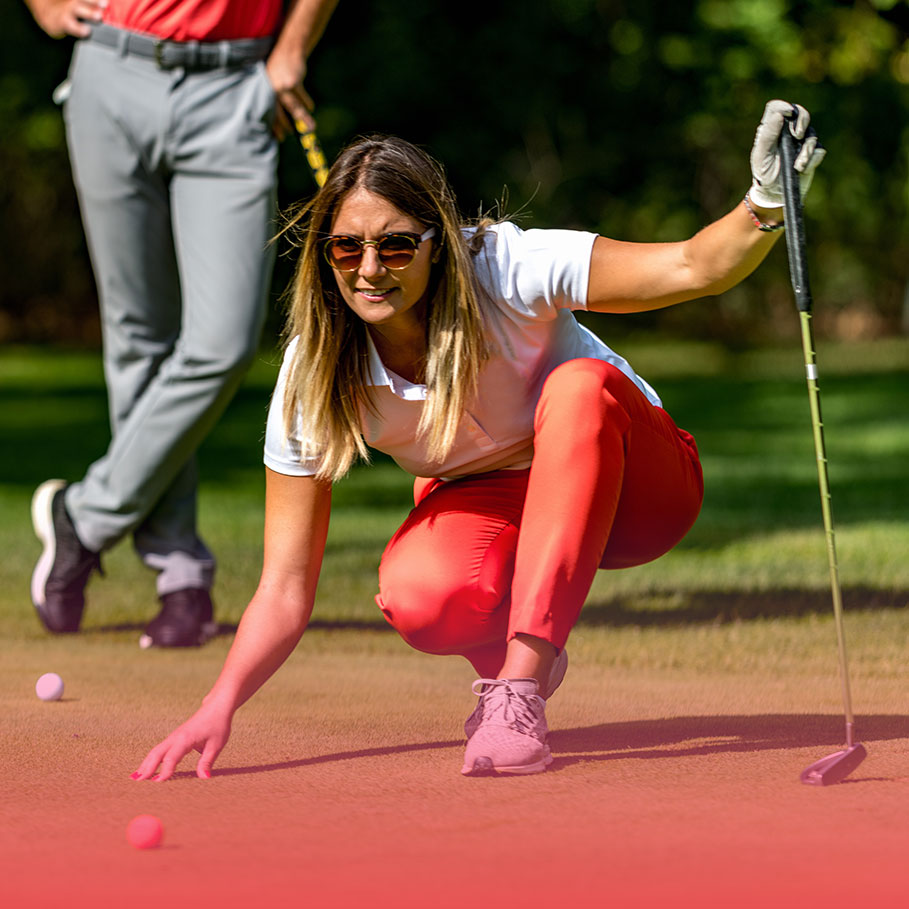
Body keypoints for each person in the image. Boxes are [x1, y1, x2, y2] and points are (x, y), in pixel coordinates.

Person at [133, 100, 825, 778]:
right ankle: (520, 667)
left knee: (577, 385)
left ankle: (519, 690)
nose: (370, 268)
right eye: (347, 246)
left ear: (439, 241)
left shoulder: (507, 267)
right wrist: (216, 703)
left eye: (396, 244)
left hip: (640, 490)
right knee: (420, 593)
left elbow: (691, 267)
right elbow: (284, 585)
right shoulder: (312, 374)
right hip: (504, 504)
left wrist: (764, 199)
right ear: (325, 255)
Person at [25, 0, 338, 647]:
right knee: (137, 336)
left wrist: (292, 48)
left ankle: (82, 516)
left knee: (221, 342)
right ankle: (179, 573)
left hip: (234, 85)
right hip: (112, 67)